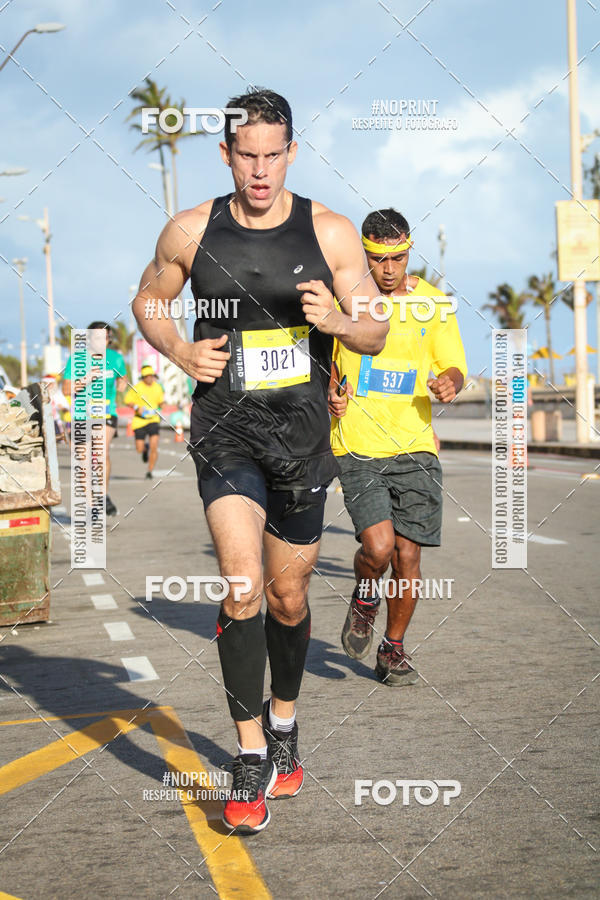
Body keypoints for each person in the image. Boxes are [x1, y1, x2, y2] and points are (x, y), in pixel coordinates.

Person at [132, 88, 388, 834]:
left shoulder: (330, 232)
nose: (260, 169)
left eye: (273, 154)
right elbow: (149, 299)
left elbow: (373, 325)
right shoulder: (191, 228)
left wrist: (338, 320)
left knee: (286, 598)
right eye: (247, 155)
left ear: (291, 154)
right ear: (227, 155)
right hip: (226, 431)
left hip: (303, 438)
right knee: (241, 586)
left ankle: (284, 721)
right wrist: (180, 348)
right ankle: (249, 758)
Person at [329, 208, 467, 686]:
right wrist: (329, 389)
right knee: (380, 548)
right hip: (357, 443)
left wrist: (449, 382)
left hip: (415, 446)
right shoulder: (343, 297)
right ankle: (366, 593)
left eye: (398, 258)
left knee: (409, 555)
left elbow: (454, 365)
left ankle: (393, 650)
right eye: (377, 259)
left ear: (409, 251)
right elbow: (319, 358)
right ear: (363, 254)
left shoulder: (433, 304)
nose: (388, 269)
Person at [62, 322, 127, 515]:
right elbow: (66, 389)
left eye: (105, 338)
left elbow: (123, 378)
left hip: (106, 412)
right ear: (89, 339)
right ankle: (91, 506)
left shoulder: (115, 358)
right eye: (97, 338)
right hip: (82, 414)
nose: (102, 342)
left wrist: (123, 384)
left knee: (100, 453)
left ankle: (102, 494)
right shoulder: (77, 360)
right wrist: (85, 379)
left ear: (109, 340)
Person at [124, 365, 164, 479]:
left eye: (152, 376)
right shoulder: (136, 388)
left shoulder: (158, 387)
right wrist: (137, 407)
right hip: (139, 421)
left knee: (154, 446)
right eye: (147, 376)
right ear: (143, 377)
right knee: (139, 449)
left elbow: (161, 401)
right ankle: (144, 449)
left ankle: (150, 471)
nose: (150, 378)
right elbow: (127, 401)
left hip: (153, 420)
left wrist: (162, 405)